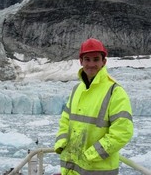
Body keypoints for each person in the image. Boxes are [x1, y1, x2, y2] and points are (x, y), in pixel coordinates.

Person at [54, 38, 133, 175]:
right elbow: (65, 120)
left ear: (104, 61)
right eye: (87, 59)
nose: (91, 64)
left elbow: (122, 132)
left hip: (98, 170)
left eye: (96, 59)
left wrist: (91, 154)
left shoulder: (115, 92)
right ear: (81, 61)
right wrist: (61, 142)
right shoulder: (77, 90)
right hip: (72, 169)